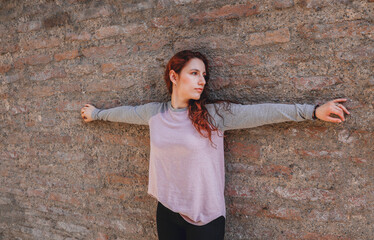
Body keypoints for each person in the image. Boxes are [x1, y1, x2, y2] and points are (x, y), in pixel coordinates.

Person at [80, 50, 350, 240]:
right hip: (167, 208)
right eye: (194, 73)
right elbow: (123, 113)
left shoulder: (212, 116)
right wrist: (96, 114)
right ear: (174, 77)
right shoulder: (155, 113)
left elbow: (263, 112)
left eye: (204, 75)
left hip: (205, 217)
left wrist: (312, 111)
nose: (202, 81)